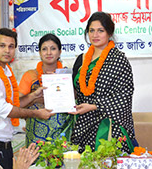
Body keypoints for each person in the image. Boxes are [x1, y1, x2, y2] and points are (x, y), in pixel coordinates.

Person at [0, 28, 54, 169]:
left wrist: (33, 96)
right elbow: (4, 109)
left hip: (5, 143)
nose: (7, 50)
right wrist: (36, 113)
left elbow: (13, 104)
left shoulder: (5, 72)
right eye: (2, 46)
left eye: (11, 46)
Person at [71, 11, 136, 153]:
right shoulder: (81, 60)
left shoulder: (119, 60)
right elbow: (74, 91)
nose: (95, 35)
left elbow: (124, 97)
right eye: (91, 30)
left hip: (110, 127)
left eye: (100, 30)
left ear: (109, 33)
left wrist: (94, 106)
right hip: (83, 125)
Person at [19, 33, 74, 147]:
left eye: (53, 49)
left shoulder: (67, 75)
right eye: (44, 49)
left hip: (63, 135)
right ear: (39, 52)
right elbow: (17, 105)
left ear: (60, 52)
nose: (48, 53)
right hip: (36, 137)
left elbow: (76, 99)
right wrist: (34, 99)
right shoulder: (30, 76)